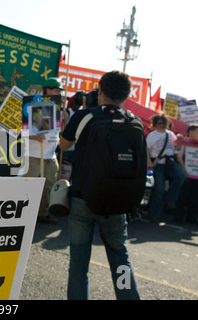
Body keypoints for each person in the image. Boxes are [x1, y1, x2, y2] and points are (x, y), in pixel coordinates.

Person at [60, 70, 140, 300]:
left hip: (83, 198)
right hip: (117, 202)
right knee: (120, 260)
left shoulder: (86, 116)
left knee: (78, 263)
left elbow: (64, 145)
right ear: (126, 95)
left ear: (100, 89)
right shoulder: (132, 121)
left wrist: (81, 110)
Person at [23, 77, 63, 224]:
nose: (58, 93)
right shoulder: (33, 106)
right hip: (33, 154)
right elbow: (22, 132)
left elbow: (57, 131)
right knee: (29, 186)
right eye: (56, 90)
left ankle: (41, 213)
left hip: (50, 155)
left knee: (49, 185)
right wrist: (34, 137)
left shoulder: (59, 109)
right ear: (48, 90)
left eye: (59, 91)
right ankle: (25, 214)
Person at [146, 114, 186, 223]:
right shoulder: (152, 135)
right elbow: (146, 150)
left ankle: (170, 199)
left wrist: (179, 140)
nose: (162, 125)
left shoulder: (171, 134)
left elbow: (176, 148)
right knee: (159, 189)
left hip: (170, 162)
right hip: (158, 164)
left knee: (180, 176)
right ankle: (154, 214)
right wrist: (149, 163)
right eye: (159, 123)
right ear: (155, 124)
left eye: (164, 123)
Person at [174, 124, 198, 225]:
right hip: (186, 174)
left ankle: (191, 216)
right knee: (183, 196)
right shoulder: (184, 142)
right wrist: (185, 171)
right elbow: (179, 157)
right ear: (190, 132)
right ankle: (179, 217)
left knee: (195, 196)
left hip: (197, 174)